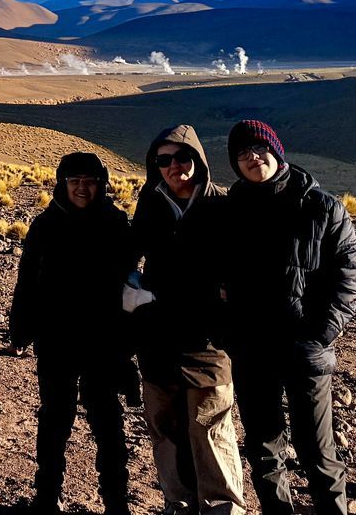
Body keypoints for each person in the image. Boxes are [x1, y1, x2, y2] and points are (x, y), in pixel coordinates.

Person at [218, 120, 356, 515]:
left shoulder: (322, 207)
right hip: (251, 351)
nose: (252, 158)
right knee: (264, 451)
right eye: (242, 154)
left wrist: (319, 335)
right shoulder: (230, 211)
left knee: (318, 451)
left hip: (305, 352)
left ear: (277, 151)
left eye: (259, 149)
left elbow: (349, 277)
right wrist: (228, 328)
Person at [9, 151, 137, 515]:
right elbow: (28, 278)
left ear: (102, 183)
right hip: (56, 338)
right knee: (54, 419)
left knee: (107, 422)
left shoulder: (115, 224)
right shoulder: (46, 225)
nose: (83, 188)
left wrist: (129, 338)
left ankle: (116, 501)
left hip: (104, 341)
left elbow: (131, 283)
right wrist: (21, 326)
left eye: (90, 181)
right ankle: (46, 496)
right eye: (75, 181)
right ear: (62, 184)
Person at [130, 125, 244, 515]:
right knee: (165, 432)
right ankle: (177, 506)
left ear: (197, 160)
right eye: (163, 160)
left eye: (182, 158)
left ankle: (222, 510)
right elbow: (130, 259)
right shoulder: (150, 204)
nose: (174, 166)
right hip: (158, 341)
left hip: (207, 344)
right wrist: (137, 299)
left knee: (211, 430)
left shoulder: (221, 207)